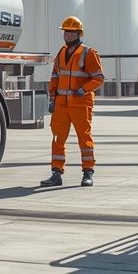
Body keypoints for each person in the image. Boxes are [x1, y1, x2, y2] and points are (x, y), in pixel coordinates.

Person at [41, 15, 104, 188]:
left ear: (78, 33)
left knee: (84, 139)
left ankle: (88, 173)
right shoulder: (61, 52)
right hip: (61, 104)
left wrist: (82, 90)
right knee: (57, 139)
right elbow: (55, 76)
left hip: (80, 104)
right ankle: (56, 173)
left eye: (70, 32)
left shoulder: (88, 53)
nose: (66, 35)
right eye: (65, 32)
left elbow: (99, 78)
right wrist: (52, 98)